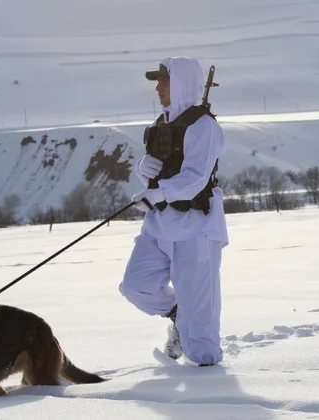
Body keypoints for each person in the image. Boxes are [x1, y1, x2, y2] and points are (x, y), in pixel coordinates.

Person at [118, 56, 229, 367]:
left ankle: (209, 385)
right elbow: (159, 172)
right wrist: (142, 168)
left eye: (163, 81)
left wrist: (158, 193)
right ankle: (177, 313)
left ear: (180, 84)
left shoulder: (204, 127)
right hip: (159, 224)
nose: (157, 88)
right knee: (135, 285)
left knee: (201, 326)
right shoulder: (160, 125)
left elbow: (195, 178)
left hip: (196, 226)